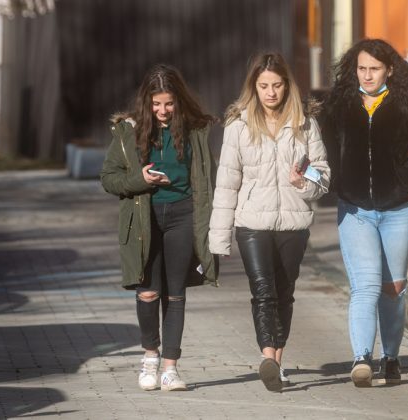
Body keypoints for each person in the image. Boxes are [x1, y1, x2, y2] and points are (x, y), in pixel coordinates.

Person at [321, 39, 408, 387]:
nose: (367, 75)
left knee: (393, 288)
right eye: (361, 68)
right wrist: (333, 181)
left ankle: (390, 357)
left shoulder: (407, 106)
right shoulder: (339, 106)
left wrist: (403, 179)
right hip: (355, 210)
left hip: (398, 211)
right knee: (364, 285)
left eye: (374, 69)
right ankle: (362, 357)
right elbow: (324, 151)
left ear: (389, 70)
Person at [209, 52, 330, 392]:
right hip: (252, 224)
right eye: (264, 86)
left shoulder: (305, 123)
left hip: (293, 223)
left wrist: (303, 182)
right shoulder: (238, 126)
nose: (271, 93)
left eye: (277, 85)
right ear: (254, 87)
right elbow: (227, 183)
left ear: (287, 86)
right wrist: (219, 238)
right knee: (263, 291)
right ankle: (268, 358)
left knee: (284, 292)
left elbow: (323, 177)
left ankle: (277, 361)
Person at [100, 64, 218, 392]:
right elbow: (108, 178)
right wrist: (140, 179)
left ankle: (170, 368)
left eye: (169, 103)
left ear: (179, 101)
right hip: (145, 219)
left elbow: (208, 177)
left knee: (176, 294)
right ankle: (150, 358)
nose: (163, 111)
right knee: (149, 292)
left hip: (183, 215)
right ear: (146, 102)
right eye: (156, 104)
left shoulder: (196, 130)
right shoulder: (128, 131)